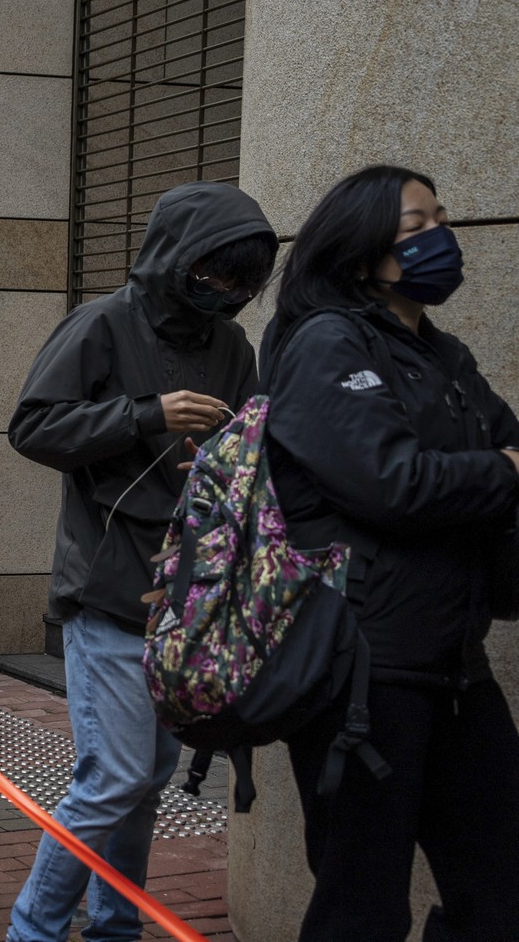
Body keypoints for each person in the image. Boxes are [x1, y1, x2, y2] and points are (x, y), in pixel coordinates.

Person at [6, 182, 277, 942]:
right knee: (115, 780)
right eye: (215, 274)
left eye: (242, 282)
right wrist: (146, 414)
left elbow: (251, 447)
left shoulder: (232, 346)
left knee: (143, 781)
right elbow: (31, 425)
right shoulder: (103, 322)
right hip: (113, 593)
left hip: (195, 598)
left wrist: (220, 457)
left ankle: (115, 924)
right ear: (179, 257)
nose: (226, 294)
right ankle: (32, 929)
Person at [259, 166, 519, 940]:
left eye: (443, 217)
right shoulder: (325, 344)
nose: (442, 235)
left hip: (454, 665)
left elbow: (502, 441)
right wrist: (499, 473)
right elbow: (393, 484)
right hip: (364, 673)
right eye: (417, 225)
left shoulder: (444, 355)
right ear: (362, 246)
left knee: (502, 883)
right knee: (361, 903)